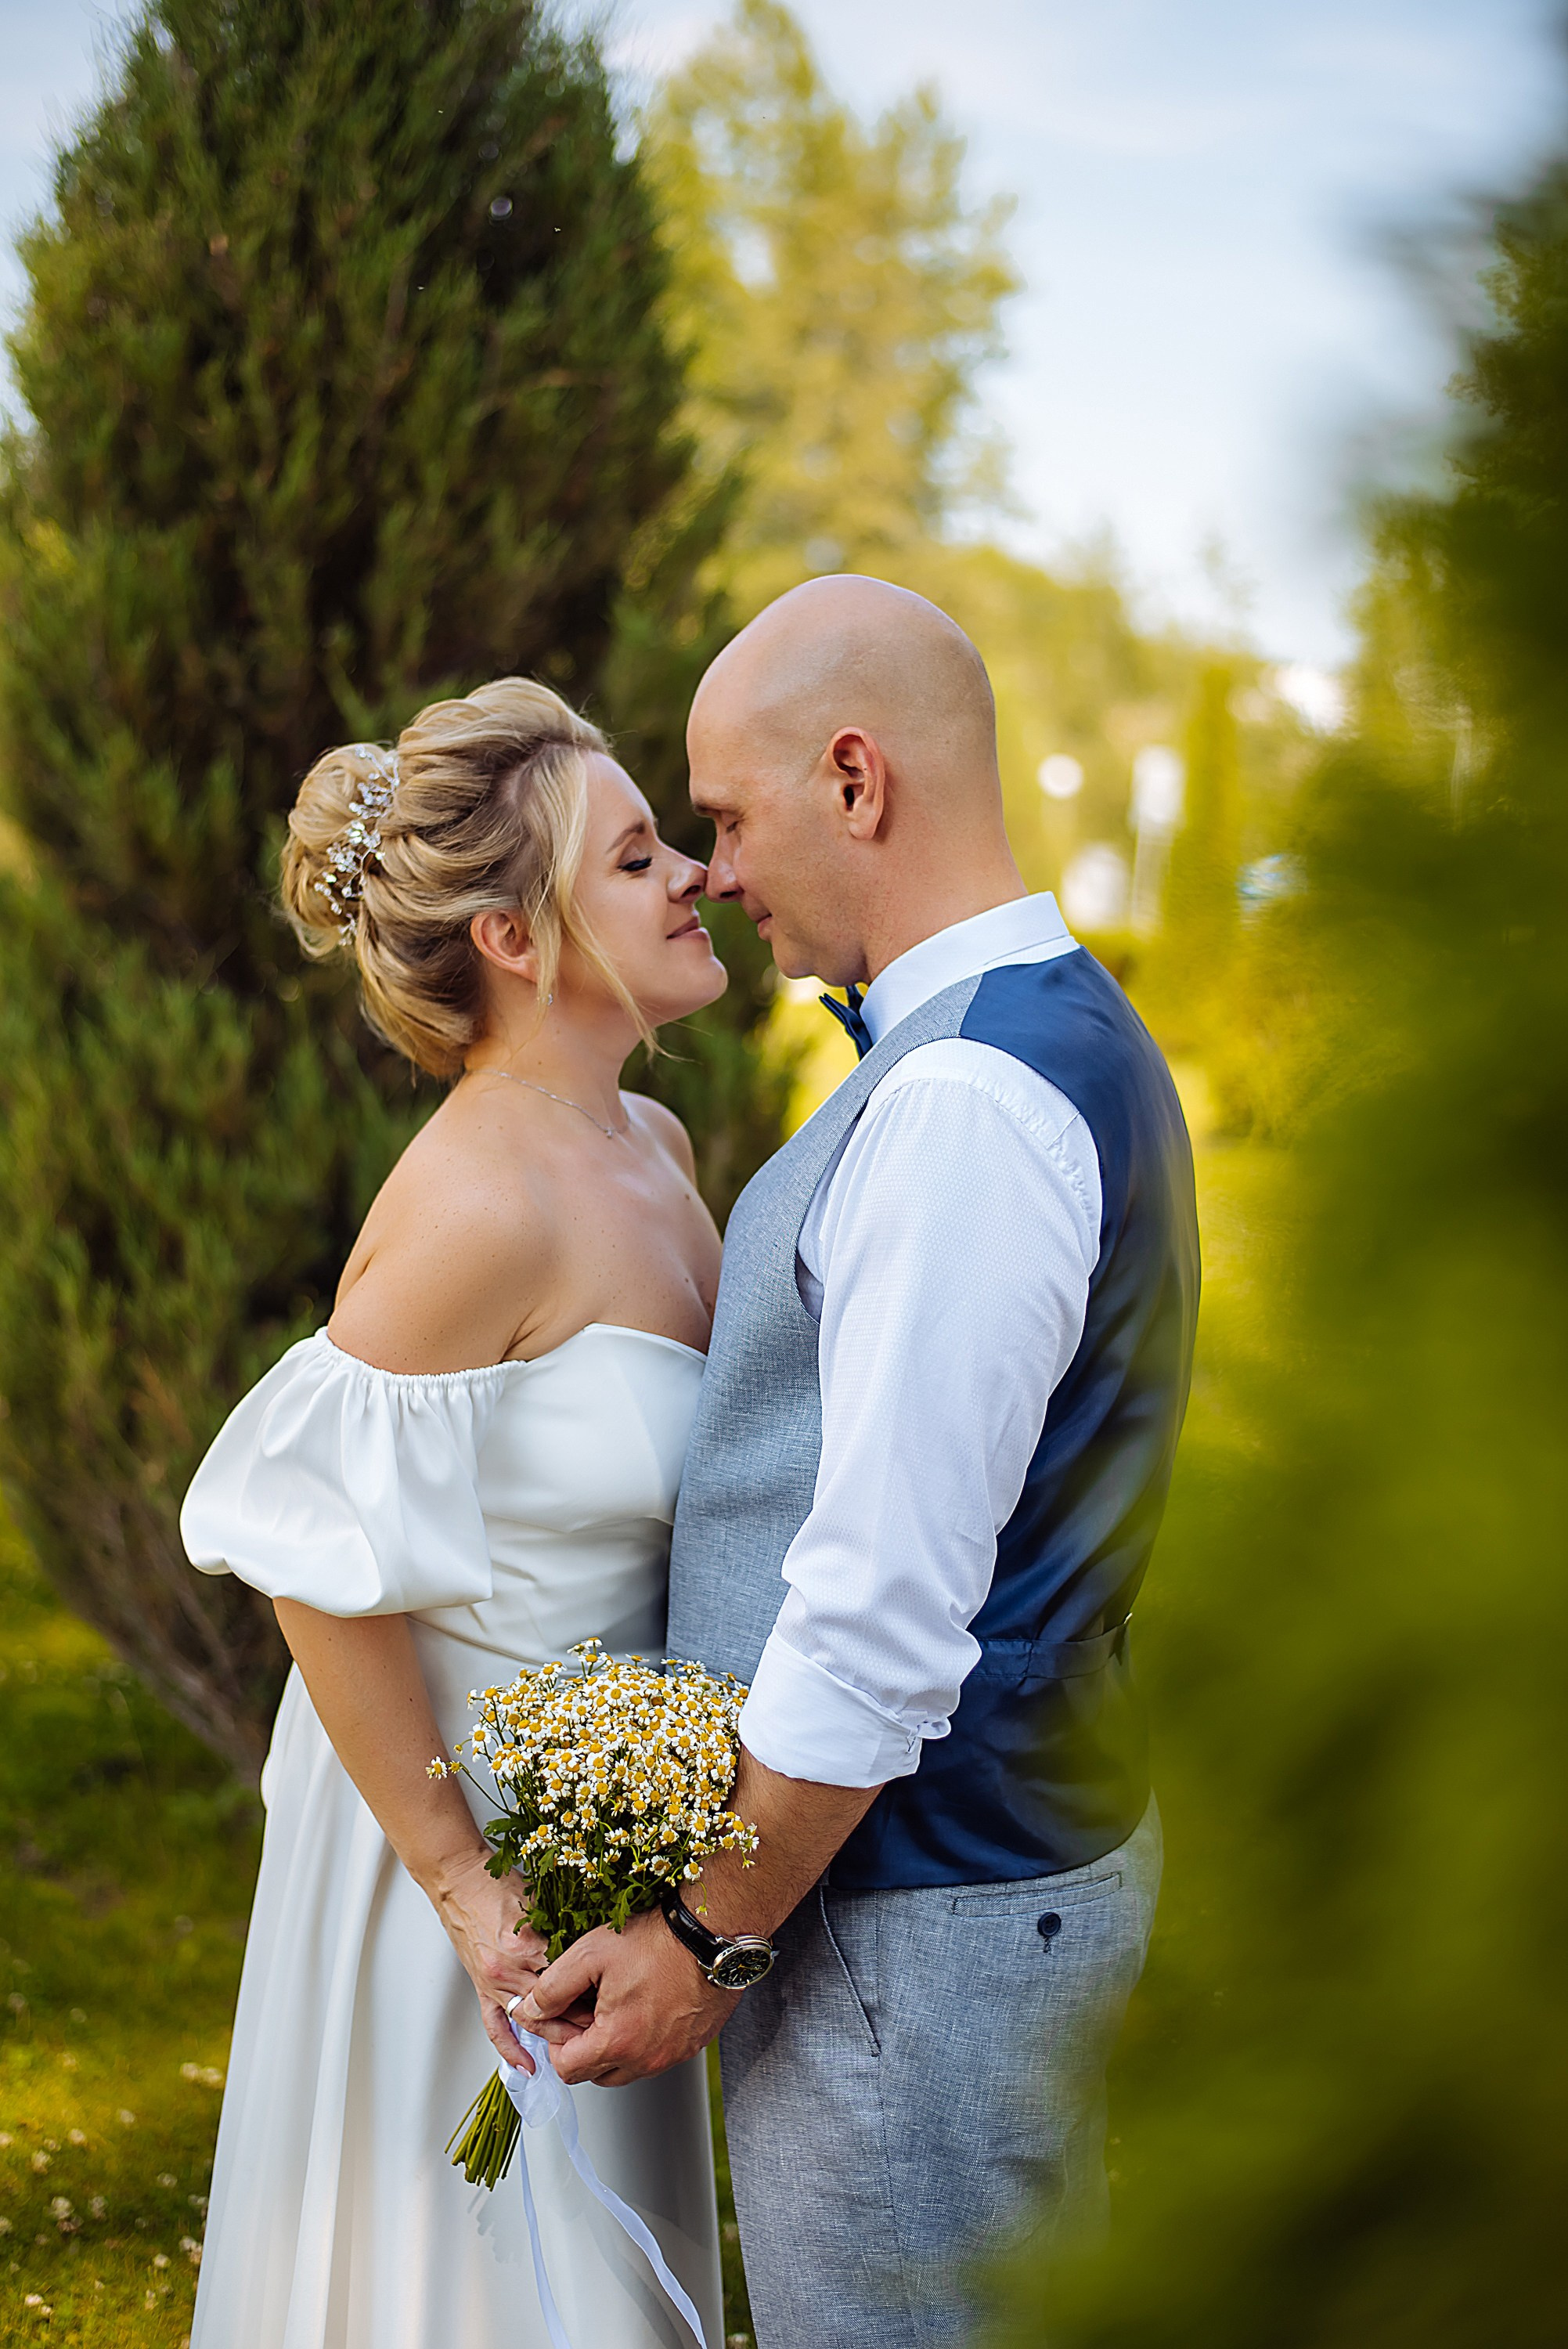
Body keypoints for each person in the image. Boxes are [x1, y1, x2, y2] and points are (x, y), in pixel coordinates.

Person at [521, 576, 1201, 2347]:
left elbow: (884, 1610)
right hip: (1004, 1867)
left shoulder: (968, 1107)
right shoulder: (1046, 1029)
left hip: (925, 1911)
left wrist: (708, 1938)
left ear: (856, 779)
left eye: (730, 816)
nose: (716, 869)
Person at [178, 677, 729, 2349]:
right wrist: (470, 1892)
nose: (692, 873)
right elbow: (318, 1569)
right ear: (513, 934)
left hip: (612, 1842)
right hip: (474, 1857)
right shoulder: (479, 1202)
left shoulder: (655, 1139)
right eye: (637, 858)